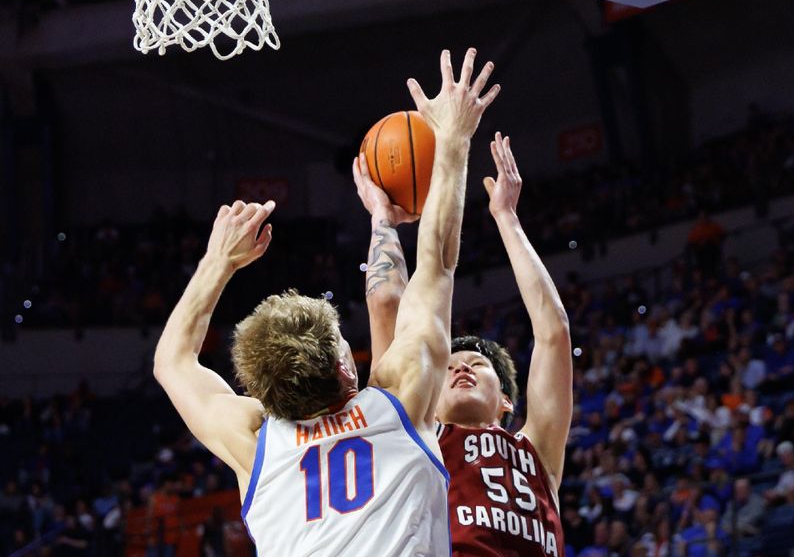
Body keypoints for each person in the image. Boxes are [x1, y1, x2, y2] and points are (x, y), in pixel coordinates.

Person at [153, 47, 500, 556]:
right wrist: (452, 140)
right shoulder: (397, 400)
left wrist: (216, 263)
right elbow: (437, 264)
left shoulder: (256, 442)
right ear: (344, 365)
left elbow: (171, 361)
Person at [356, 133, 571, 556]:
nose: (460, 368)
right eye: (450, 366)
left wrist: (506, 216)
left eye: (477, 363)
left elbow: (554, 330)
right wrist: (381, 216)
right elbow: (386, 304)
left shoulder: (537, 452)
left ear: (506, 402)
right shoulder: (415, 434)